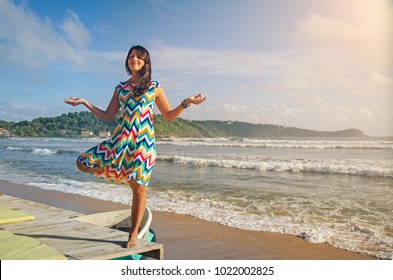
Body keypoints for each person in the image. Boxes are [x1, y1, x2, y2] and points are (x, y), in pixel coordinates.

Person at [64, 45, 207, 248]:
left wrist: (186, 102)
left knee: (139, 189)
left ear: (145, 61)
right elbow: (107, 115)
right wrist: (85, 102)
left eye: (139, 57)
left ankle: (133, 234)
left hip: (143, 145)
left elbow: (169, 116)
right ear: (127, 61)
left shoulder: (155, 86)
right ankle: (110, 168)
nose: (134, 59)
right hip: (120, 142)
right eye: (131, 56)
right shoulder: (120, 88)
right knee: (82, 163)